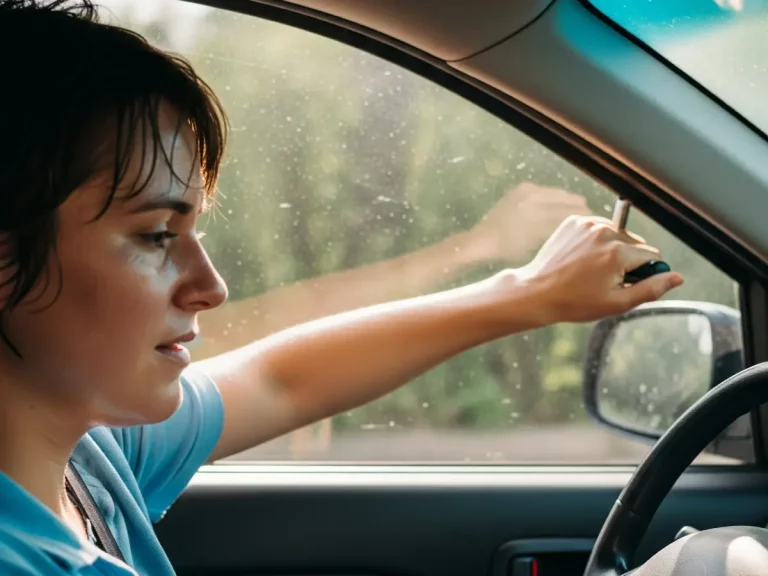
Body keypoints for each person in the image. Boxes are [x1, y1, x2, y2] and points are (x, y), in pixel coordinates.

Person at [0, 1, 684, 575]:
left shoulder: (90, 456)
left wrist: (530, 291)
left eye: (194, 230)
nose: (211, 286)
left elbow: (281, 380)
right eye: (156, 235)